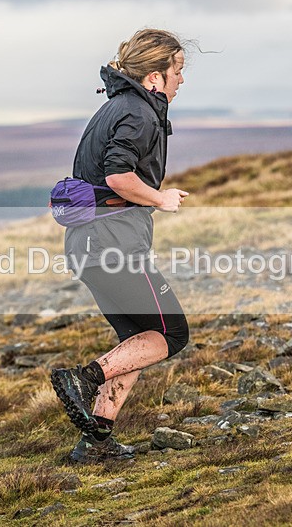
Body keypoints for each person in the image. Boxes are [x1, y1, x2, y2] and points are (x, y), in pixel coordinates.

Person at [50, 29, 191, 463]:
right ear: (153, 77)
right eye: (177, 70)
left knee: (135, 336)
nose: (181, 80)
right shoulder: (138, 114)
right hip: (112, 243)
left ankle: (96, 442)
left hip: (89, 244)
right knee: (172, 333)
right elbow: (117, 177)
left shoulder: (115, 107)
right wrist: (160, 199)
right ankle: (84, 377)